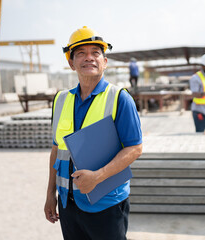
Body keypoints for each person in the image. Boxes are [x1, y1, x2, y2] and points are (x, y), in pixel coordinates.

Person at [44, 26, 143, 240]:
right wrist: (50, 194)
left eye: (95, 53)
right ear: (71, 63)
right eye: (81, 53)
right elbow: (56, 149)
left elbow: (135, 148)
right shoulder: (61, 100)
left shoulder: (119, 98)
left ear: (104, 62)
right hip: (68, 203)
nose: (89, 58)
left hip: (106, 203)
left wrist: (97, 177)